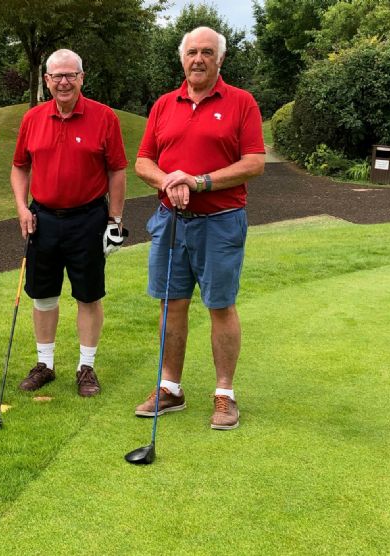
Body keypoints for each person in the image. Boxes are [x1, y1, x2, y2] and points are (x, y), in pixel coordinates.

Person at [134, 27, 265, 429]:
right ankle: (170, 388)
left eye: (207, 52)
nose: (198, 59)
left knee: (220, 305)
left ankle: (224, 395)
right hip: (171, 222)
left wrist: (199, 181)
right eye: (192, 52)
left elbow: (254, 162)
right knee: (171, 304)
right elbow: (143, 161)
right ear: (182, 58)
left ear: (220, 59)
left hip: (220, 222)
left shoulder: (241, 102)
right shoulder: (163, 105)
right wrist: (168, 181)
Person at [11, 49, 127, 397]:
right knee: (43, 294)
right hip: (42, 218)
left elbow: (117, 170)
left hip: (88, 219)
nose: (63, 82)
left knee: (88, 295)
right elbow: (20, 166)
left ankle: (86, 366)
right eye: (56, 76)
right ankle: (44, 364)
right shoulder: (33, 118)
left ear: (81, 78)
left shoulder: (104, 117)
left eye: (70, 75)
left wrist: (115, 220)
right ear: (46, 81)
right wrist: (21, 207)